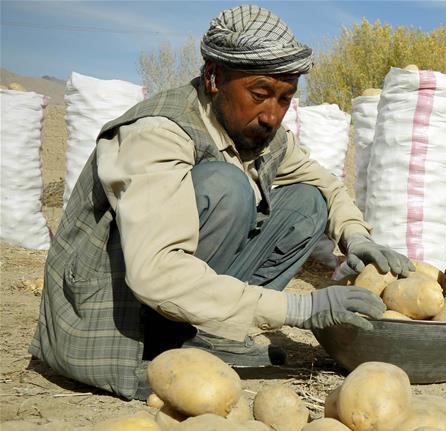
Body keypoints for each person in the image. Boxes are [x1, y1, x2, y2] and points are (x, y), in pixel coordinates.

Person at [30, 5, 412, 401]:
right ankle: (165, 345)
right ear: (213, 77)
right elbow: (155, 273)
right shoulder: (157, 133)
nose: (272, 115)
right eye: (260, 94)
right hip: (116, 316)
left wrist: (355, 236)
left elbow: (324, 183)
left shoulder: (258, 131)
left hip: (182, 300)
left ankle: (208, 335)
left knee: (308, 202)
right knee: (226, 186)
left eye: (285, 99)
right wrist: (298, 309)